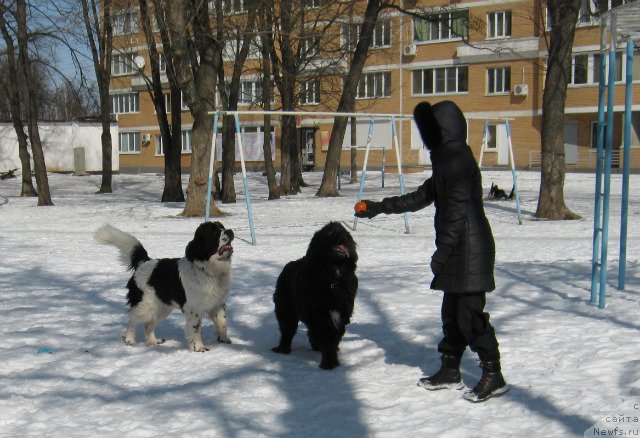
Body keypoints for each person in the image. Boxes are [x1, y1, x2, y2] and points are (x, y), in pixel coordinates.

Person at [354, 100, 508, 402]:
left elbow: (456, 214)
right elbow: (420, 197)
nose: (427, 140)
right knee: (451, 314)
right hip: (459, 249)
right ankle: (450, 370)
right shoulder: (448, 160)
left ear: (444, 131)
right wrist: (377, 208)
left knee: (470, 316)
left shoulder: (457, 161)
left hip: (469, 249)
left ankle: (494, 375)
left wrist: (442, 253)